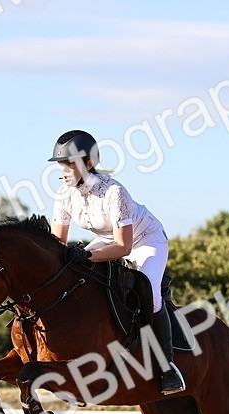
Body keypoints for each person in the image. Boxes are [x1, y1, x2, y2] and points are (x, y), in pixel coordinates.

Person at [47, 129, 185, 395]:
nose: (63, 171)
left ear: (89, 164)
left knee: (150, 294)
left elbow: (124, 247)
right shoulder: (63, 195)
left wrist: (87, 255)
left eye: (69, 164)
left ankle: (168, 367)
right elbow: (58, 244)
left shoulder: (113, 192)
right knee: (71, 273)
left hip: (146, 240)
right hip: (108, 238)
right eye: (61, 164)